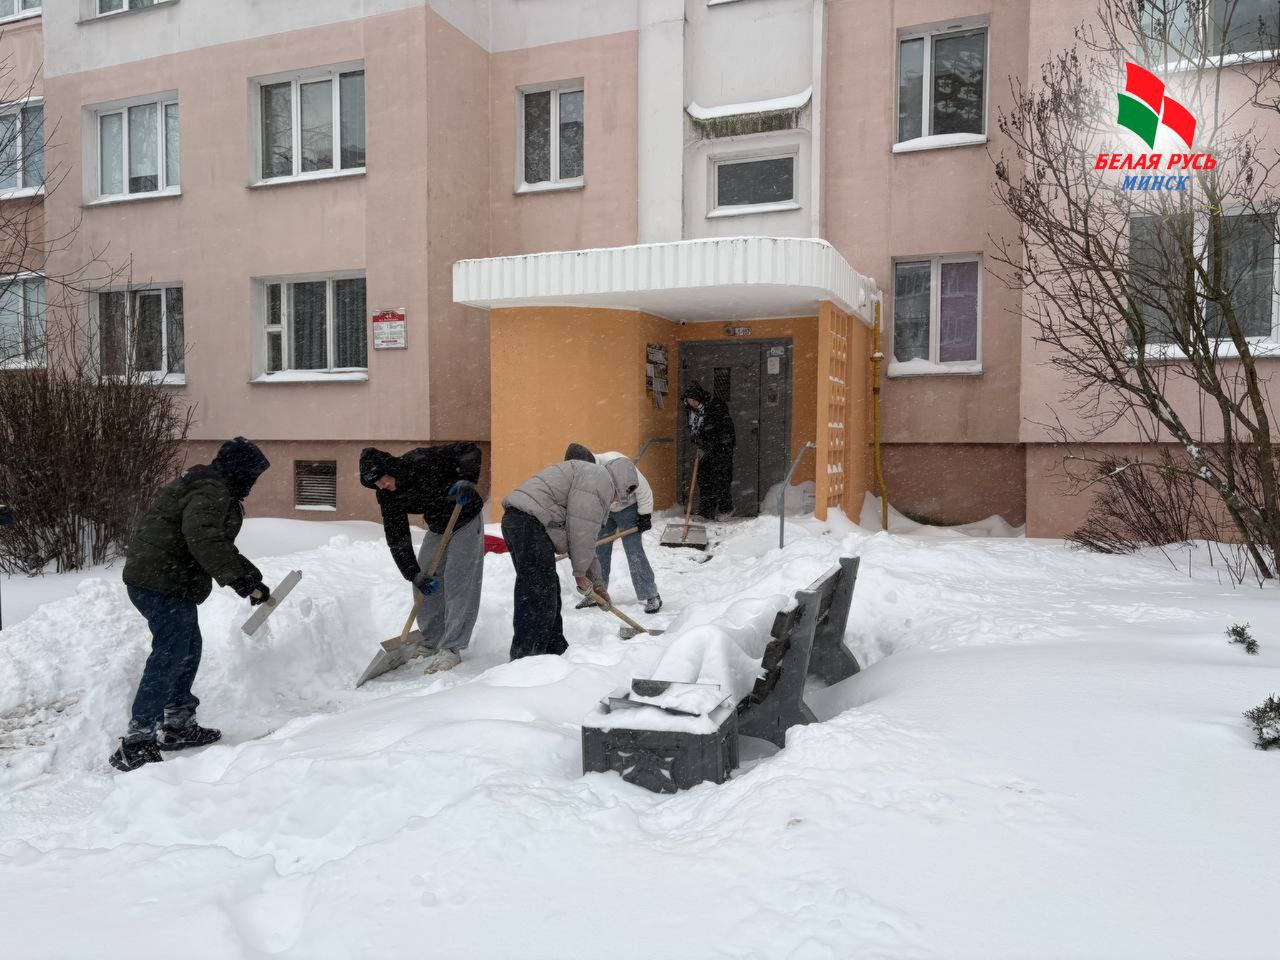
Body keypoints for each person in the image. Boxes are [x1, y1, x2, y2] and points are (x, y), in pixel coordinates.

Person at [110, 437, 272, 773]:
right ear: (238, 471)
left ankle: (178, 723)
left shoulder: (209, 487)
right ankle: (137, 741)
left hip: (164, 579)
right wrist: (243, 582)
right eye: (251, 476)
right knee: (171, 653)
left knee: (187, 647)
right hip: (159, 580)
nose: (252, 484)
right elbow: (203, 540)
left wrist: (249, 577)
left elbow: (214, 541)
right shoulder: (210, 491)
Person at [359, 443, 484, 675]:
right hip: (438, 525)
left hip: (465, 515)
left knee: (459, 581)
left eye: (382, 478)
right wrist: (412, 573)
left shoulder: (421, 460)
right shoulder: (387, 495)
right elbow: (397, 536)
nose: (382, 485)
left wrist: (467, 480)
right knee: (424, 578)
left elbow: (469, 449)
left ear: (390, 469)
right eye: (375, 483)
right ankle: (432, 639)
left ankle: (452, 646)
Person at [501, 456, 620, 660]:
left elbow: (584, 541)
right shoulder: (599, 481)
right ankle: (528, 658)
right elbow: (581, 534)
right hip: (528, 523)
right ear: (621, 483)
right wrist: (581, 576)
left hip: (520, 521)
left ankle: (554, 649)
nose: (616, 501)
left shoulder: (592, 478)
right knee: (538, 593)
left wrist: (597, 583)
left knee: (546, 589)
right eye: (620, 495)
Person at [564, 444, 661, 615]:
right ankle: (597, 594)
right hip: (605, 511)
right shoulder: (580, 473)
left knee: (634, 551)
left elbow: (643, 488)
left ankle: (651, 594)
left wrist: (645, 514)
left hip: (628, 508)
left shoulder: (616, 461)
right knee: (598, 552)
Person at [682, 381, 736, 521]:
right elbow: (695, 431)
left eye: (694, 400)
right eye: (689, 401)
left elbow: (723, 431)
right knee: (704, 480)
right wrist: (699, 444)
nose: (692, 403)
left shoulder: (714, 408)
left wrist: (710, 447)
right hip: (706, 450)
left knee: (721, 479)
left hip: (721, 449)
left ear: (700, 398)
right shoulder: (691, 411)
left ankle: (726, 509)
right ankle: (706, 512)